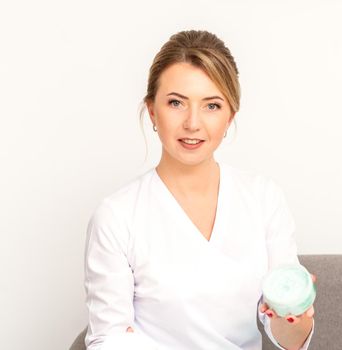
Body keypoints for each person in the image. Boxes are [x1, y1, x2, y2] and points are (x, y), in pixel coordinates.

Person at [84, 29, 316, 350]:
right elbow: (107, 338)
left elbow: (289, 338)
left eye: (212, 105)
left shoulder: (263, 198)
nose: (193, 123)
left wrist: (295, 317)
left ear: (230, 115)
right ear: (152, 110)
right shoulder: (117, 216)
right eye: (176, 102)